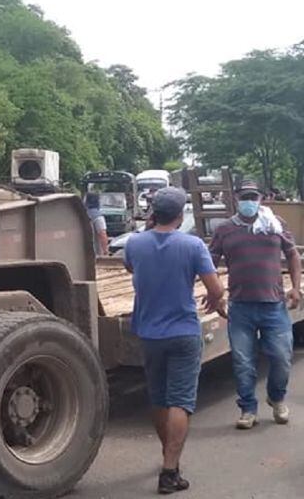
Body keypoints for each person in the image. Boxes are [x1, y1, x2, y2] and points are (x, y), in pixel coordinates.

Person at [124, 187, 225, 495]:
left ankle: (167, 456)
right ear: (181, 216)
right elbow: (217, 288)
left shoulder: (134, 243)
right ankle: (170, 470)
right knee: (180, 400)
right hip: (182, 332)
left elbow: (131, 267)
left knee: (159, 398)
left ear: (153, 214)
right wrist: (212, 298)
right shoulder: (193, 245)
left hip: (149, 334)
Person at [209, 180, 302, 430]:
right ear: (237, 199)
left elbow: (293, 253)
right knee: (242, 362)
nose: (250, 201)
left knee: (282, 357)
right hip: (240, 307)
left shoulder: (274, 224)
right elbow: (210, 262)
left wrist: (295, 286)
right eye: (245, 196)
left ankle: (277, 397)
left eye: (254, 196)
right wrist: (216, 294)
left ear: (261, 198)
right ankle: (248, 408)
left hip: (274, 305)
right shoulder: (225, 229)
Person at [86, 192, 110, 256]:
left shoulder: (82, 215)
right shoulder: (98, 216)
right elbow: (102, 234)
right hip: (96, 255)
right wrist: (106, 251)